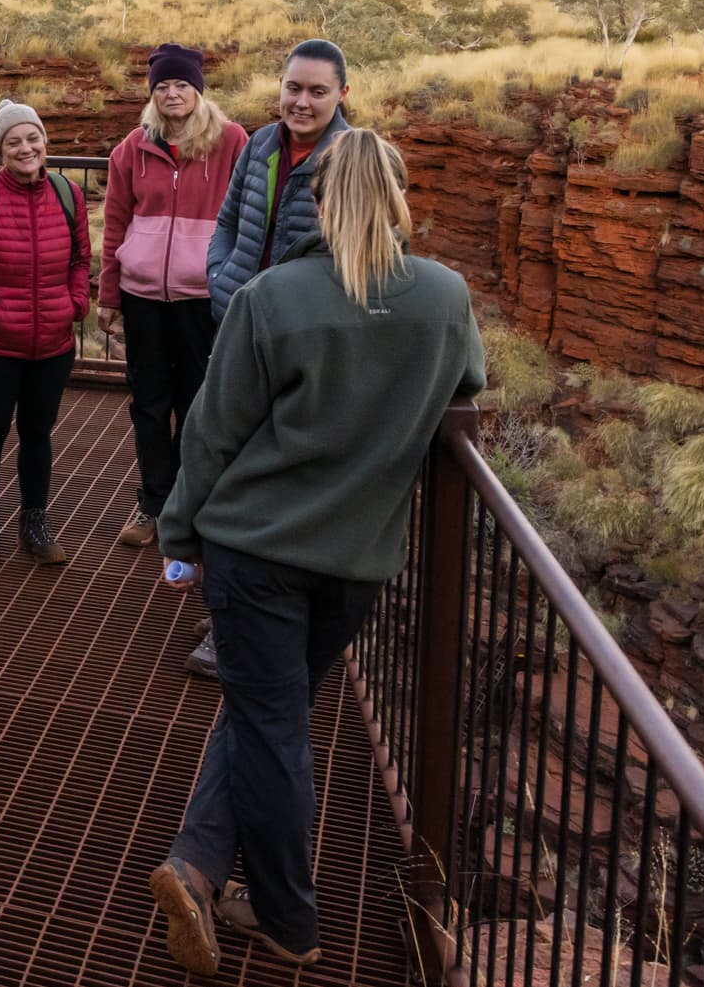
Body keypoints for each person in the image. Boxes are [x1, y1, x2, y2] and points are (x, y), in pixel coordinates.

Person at [148, 130, 484, 979]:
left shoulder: (274, 296)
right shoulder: (445, 297)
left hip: (254, 548)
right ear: (402, 198)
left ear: (319, 200)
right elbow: (468, 384)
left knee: (271, 721)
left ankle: (287, 914)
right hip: (357, 559)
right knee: (270, 709)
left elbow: (211, 433)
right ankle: (194, 864)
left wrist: (179, 533)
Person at [185, 38, 352, 681]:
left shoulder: (351, 158)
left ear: (342, 94)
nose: (301, 101)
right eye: (293, 88)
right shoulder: (259, 145)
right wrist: (221, 276)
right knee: (227, 473)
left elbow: (370, 248)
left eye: (316, 90)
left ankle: (254, 627)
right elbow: (228, 220)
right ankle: (225, 620)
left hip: (301, 349)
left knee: (276, 486)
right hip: (235, 330)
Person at [97, 44, 247, 552]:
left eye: (181, 84)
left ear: (198, 90)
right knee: (149, 404)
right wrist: (108, 294)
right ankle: (154, 503)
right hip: (143, 297)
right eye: (162, 86)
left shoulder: (231, 143)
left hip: (204, 296)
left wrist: (234, 284)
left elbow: (247, 221)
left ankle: (193, 503)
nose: (171, 94)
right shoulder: (132, 148)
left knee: (198, 405)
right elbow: (115, 222)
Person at [0, 98, 93, 567]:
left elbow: (81, 261)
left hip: (52, 343)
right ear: (0, 150)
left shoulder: (69, 195)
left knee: (37, 434)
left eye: (32, 138)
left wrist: (75, 304)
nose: (26, 148)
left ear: (45, 142)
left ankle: (34, 522)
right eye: (13, 141)